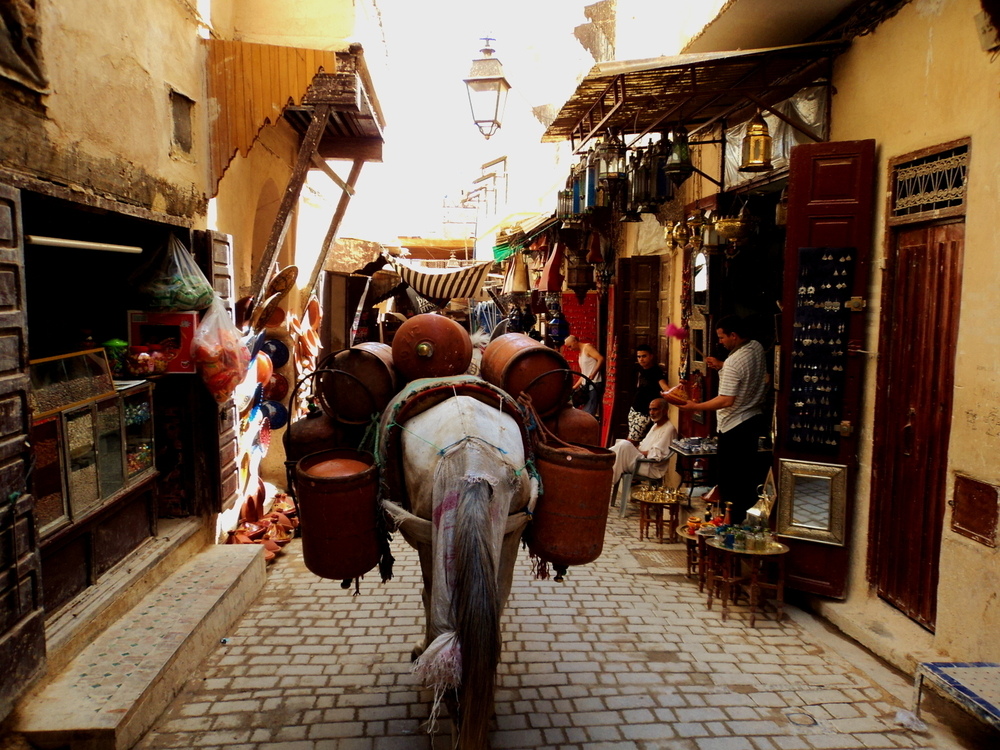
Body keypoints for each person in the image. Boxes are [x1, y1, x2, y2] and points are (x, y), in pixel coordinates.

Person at [674, 315, 768, 520]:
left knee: (732, 481)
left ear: (733, 335)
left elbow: (726, 400)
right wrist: (722, 365)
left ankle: (730, 525)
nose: (720, 342)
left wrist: (695, 406)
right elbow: (744, 372)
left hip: (735, 426)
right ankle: (737, 520)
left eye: (722, 337)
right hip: (752, 420)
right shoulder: (756, 348)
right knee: (746, 478)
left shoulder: (734, 361)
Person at [610, 398, 677, 487]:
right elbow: (642, 445)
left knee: (624, 445)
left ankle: (607, 472)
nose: (651, 413)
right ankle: (606, 464)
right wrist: (633, 450)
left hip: (650, 467)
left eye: (655, 409)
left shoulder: (669, 429)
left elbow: (657, 455)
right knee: (622, 445)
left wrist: (634, 452)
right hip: (641, 461)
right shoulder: (655, 426)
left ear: (664, 411)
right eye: (650, 409)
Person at [628, 344, 669, 441]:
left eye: (644, 356)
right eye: (639, 356)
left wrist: (674, 391)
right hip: (634, 410)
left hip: (644, 413)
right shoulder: (640, 369)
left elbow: (664, 387)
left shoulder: (656, 372)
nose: (641, 359)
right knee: (635, 440)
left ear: (651, 356)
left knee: (632, 441)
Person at [563, 335, 604, 415]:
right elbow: (583, 374)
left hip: (594, 383)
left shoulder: (587, 347)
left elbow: (600, 358)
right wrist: (574, 387)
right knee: (585, 407)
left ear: (575, 341)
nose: (570, 349)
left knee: (590, 409)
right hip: (587, 385)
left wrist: (594, 373)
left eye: (570, 346)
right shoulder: (581, 353)